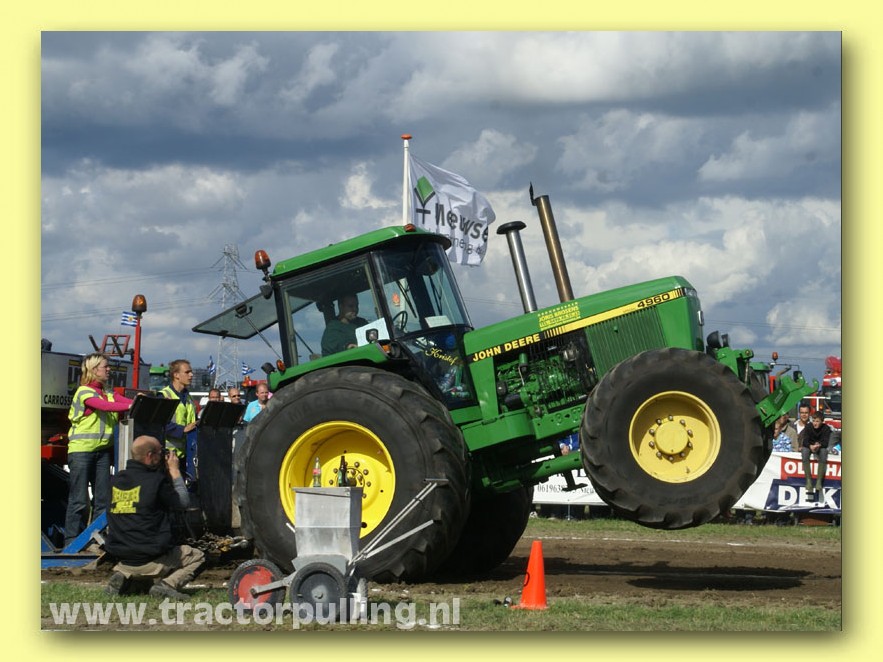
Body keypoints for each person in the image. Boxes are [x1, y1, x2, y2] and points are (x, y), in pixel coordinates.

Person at [104, 435, 205, 600]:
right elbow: (183, 502)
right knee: (198, 556)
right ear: (150, 455)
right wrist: (174, 471)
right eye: (161, 452)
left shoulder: (116, 481)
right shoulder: (156, 481)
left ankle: (126, 577)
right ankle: (167, 585)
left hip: (122, 555)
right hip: (150, 556)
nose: (163, 456)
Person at [64, 353, 135, 548]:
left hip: (102, 451)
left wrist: (141, 400)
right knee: (79, 500)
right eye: (106, 366)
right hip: (81, 451)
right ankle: (71, 543)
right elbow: (105, 406)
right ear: (94, 370)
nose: (109, 369)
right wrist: (134, 404)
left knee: (102, 500)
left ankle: (93, 541)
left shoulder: (107, 393)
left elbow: (121, 400)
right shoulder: (84, 392)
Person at [160, 359, 197, 459]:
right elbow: (160, 424)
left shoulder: (189, 397)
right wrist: (183, 429)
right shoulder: (164, 395)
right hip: (169, 456)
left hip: (187, 453)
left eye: (191, 372)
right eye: (187, 372)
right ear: (176, 375)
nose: (191, 375)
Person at [799, 411, 831, 500]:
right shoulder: (808, 426)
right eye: (813, 421)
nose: (815, 423)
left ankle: (819, 481)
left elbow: (825, 442)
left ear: (822, 421)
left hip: (820, 447)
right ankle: (808, 480)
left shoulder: (826, 428)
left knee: (824, 452)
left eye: (817, 421)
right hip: (810, 446)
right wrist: (810, 446)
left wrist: (818, 445)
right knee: (804, 452)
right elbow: (805, 440)